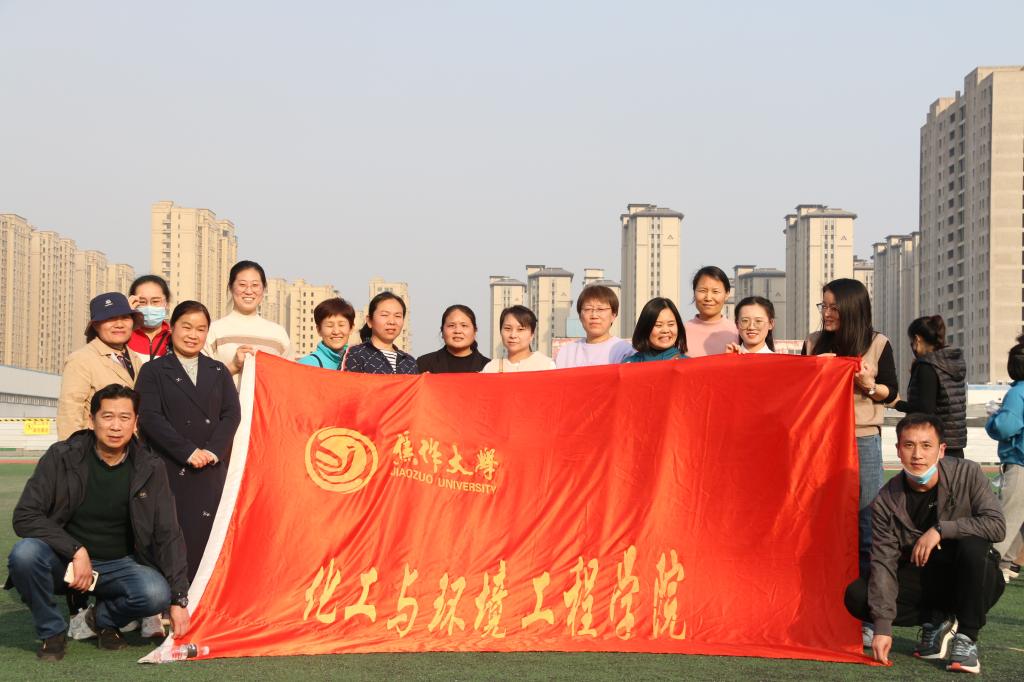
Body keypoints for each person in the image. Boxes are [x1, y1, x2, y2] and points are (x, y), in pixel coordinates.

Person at [5, 384, 191, 661]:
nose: (116, 426)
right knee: (25, 554)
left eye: (125, 418)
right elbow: (25, 515)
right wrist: (75, 550)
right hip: (65, 561)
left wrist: (178, 599)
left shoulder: (150, 466)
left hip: (120, 563)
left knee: (155, 594)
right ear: (91, 420)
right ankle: (52, 631)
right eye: (107, 416)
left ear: (135, 423)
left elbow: (168, 532)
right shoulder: (62, 456)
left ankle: (100, 618)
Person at [844, 414, 1005, 674]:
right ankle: (936, 620)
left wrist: (941, 530)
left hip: (973, 577)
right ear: (898, 449)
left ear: (941, 450)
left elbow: (996, 525)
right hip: (926, 577)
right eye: (909, 445)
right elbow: (884, 563)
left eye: (926, 445)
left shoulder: (968, 473)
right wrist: (882, 627)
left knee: (973, 546)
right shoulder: (885, 500)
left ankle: (966, 637)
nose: (917, 455)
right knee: (857, 595)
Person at [137, 301, 241, 582]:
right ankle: (171, 597)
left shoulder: (218, 371)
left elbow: (232, 414)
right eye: (187, 327)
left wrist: (212, 451)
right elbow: (149, 417)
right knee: (172, 536)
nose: (193, 335)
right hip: (169, 467)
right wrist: (187, 451)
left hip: (210, 468)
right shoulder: (153, 371)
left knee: (208, 539)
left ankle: (202, 599)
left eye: (201, 329)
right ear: (172, 329)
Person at [802, 279, 897, 586]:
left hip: (863, 438)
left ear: (853, 309)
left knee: (866, 519)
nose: (826, 313)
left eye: (834, 307)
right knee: (819, 518)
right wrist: (814, 371)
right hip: (823, 440)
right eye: (824, 306)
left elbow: (891, 393)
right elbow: (800, 393)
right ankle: (824, 591)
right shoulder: (813, 343)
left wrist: (869, 385)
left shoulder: (878, 343)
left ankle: (867, 598)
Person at [57, 293, 144, 440]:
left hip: (131, 447)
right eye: (110, 318)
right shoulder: (81, 359)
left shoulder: (135, 359)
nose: (119, 324)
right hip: (95, 447)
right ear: (96, 325)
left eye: (125, 317)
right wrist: (73, 450)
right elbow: (69, 413)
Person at [206, 260, 291, 388]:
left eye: (255, 285)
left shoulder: (278, 334)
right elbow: (202, 381)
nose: (249, 291)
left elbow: (289, 379)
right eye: (242, 285)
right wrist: (233, 366)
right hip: (224, 401)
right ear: (230, 287)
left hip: (266, 401)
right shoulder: (214, 330)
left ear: (264, 289)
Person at [892, 315, 967, 458]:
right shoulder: (950, 363)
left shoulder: (927, 366)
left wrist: (897, 404)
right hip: (955, 442)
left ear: (917, 339)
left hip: (936, 445)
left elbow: (925, 409)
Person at [986, 335, 1024, 583]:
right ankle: (1007, 563)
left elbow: (1006, 426)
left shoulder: (1017, 393)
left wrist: (993, 418)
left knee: (1007, 518)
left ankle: (990, 565)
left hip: (1020, 462)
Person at [556, 286, 633, 368]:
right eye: (588, 309)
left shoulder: (625, 351)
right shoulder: (567, 352)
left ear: (613, 315)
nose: (594, 315)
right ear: (580, 316)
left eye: (600, 309)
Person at [342, 292, 418, 374]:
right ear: (369, 321)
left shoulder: (410, 362)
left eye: (397, 316)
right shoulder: (356, 354)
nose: (392, 322)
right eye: (385, 315)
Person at [683, 266, 739, 357]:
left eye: (715, 291)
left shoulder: (736, 332)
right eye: (702, 291)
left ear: (727, 294)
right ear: (694, 292)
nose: (708, 298)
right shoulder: (681, 332)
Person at [481, 305, 556, 373]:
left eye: (520, 329)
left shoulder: (546, 366)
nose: (513, 335)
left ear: (532, 335)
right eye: (507, 328)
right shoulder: (491, 368)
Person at [417, 305, 490, 373]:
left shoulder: (489, 367)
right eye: (451, 325)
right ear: (442, 331)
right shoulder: (423, 364)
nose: (457, 331)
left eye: (464, 325)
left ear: (475, 331)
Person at [297, 297, 356, 370]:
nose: (336, 332)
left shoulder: (358, 363)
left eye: (341, 325)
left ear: (351, 328)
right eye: (329, 325)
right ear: (319, 330)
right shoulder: (306, 365)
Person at [622, 297, 688, 363]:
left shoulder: (688, 364)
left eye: (671, 324)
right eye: (658, 325)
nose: (665, 330)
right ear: (645, 328)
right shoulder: (629, 364)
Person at [127, 274, 172, 363]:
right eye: (142, 302)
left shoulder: (174, 339)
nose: (149, 307)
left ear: (167, 303)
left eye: (155, 301)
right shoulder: (123, 337)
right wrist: (126, 315)